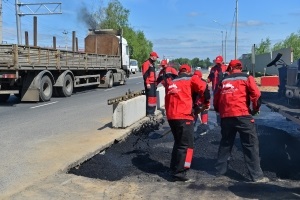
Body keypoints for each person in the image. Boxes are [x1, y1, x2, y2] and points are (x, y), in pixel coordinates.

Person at [213, 59, 269, 183]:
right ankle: (256, 176)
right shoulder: (247, 78)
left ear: (230, 69)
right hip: (243, 115)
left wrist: (219, 110)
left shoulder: (223, 80)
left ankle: (219, 172)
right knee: (250, 145)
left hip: (226, 117)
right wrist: (255, 109)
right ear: (240, 68)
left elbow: (216, 99)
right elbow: (256, 94)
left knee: (226, 143)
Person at [165, 64, 208, 182]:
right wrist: (206, 103)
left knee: (178, 143)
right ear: (189, 72)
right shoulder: (191, 78)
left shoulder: (172, 82)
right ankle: (181, 172)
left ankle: (173, 168)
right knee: (187, 146)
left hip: (171, 117)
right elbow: (204, 87)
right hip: (184, 116)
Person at [192, 70, 211, 135]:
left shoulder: (190, 81)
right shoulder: (203, 82)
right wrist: (207, 103)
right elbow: (207, 94)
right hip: (202, 101)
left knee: (194, 114)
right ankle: (204, 128)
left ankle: (191, 128)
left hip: (195, 102)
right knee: (204, 112)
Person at [142, 51, 159, 116]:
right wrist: (147, 83)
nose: (156, 58)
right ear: (152, 57)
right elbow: (145, 74)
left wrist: (156, 83)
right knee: (150, 97)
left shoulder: (152, 64)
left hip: (153, 83)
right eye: (156, 57)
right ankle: (149, 112)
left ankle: (152, 111)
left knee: (153, 97)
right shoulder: (146, 63)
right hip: (149, 83)